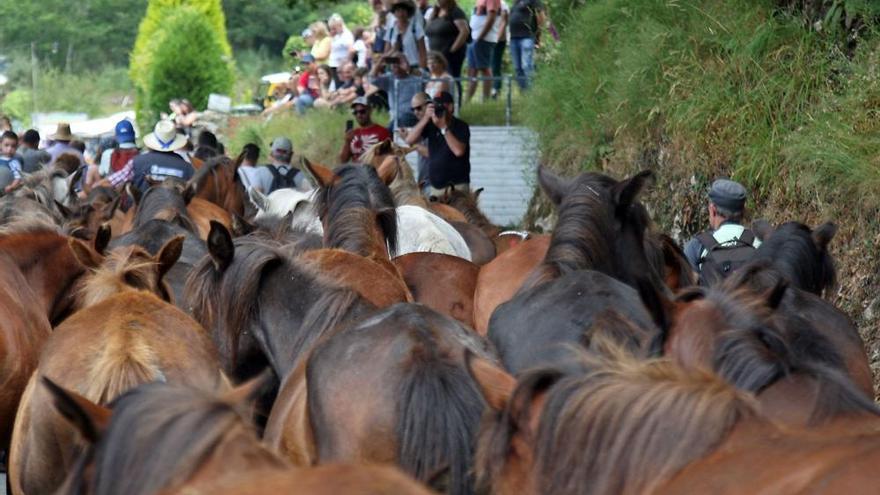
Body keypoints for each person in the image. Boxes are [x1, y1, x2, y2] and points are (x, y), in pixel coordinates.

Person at [683, 179, 762, 286]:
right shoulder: (758, 243)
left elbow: (686, 291)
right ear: (743, 212)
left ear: (713, 210)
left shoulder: (697, 246)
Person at [99, 120, 194, 193]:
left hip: (143, 210)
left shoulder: (137, 162)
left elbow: (111, 182)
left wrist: (96, 187)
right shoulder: (186, 167)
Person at [404, 91, 470, 195]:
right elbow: (409, 140)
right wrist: (426, 118)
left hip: (458, 186)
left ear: (450, 107)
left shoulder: (461, 126)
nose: (438, 110)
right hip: (436, 188)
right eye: (436, 107)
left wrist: (443, 128)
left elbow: (458, 151)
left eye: (441, 106)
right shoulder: (431, 124)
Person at [367, 52, 424, 129]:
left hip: (411, 116)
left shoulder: (416, 80)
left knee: (404, 119)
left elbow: (427, 77)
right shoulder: (390, 78)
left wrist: (406, 66)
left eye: (398, 63)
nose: (396, 67)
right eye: (393, 65)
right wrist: (380, 61)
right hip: (395, 118)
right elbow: (371, 79)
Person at [467, 0, 501, 102]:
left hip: (484, 39)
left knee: (485, 68)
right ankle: (467, 99)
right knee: (472, 70)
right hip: (475, 38)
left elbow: (491, 18)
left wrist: (480, 37)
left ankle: (486, 99)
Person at [340, 97, 392, 163]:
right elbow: (343, 160)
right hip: (356, 170)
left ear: (370, 110)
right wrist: (347, 142)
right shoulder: (353, 133)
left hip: (373, 171)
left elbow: (388, 158)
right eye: (355, 112)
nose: (359, 115)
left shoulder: (382, 132)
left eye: (362, 111)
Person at [508, 0, 545, 89]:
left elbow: (541, 14)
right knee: (517, 68)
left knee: (527, 65)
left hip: (527, 36)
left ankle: (531, 92)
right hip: (513, 38)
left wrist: (538, 33)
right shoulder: (515, 3)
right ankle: (524, 93)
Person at [384, 0, 427, 70]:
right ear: (394, 13)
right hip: (396, 68)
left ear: (408, 12)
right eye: (398, 11)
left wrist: (422, 71)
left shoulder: (415, 28)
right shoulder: (391, 30)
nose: (401, 14)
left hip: (413, 66)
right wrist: (393, 51)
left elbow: (422, 52)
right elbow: (386, 53)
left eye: (403, 10)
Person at [490, 0, 510, 98]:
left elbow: (503, 22)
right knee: (489, 65)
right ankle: (491, 89)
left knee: (495, 65)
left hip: (498, 40)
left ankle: (496, 90)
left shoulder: (502, 4)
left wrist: (496, 39)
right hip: (488, 39)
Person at [328, 14, 355, 83]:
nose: (333, 30)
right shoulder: (338, 35)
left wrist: (344, 63)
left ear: (339, 25)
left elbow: (351, 50)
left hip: (341, 66)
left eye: (334, 28)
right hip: (334, 65)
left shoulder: (346, 35)